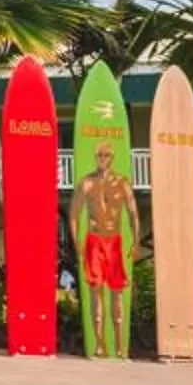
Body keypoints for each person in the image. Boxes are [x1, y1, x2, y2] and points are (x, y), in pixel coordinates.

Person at [74, 144, 136, 355]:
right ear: (95, 157)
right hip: (94, 241)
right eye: (99, 154)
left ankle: (119, 345)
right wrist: (77, 243)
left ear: (112, 157)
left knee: (117, 293)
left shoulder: (122, 183)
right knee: (95, 291)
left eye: (106, 155)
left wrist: (135, 242)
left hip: (114, 241)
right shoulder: (86, 183)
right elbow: (74, 215)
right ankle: (100, 344)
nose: (102, 158)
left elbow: (133, 213)